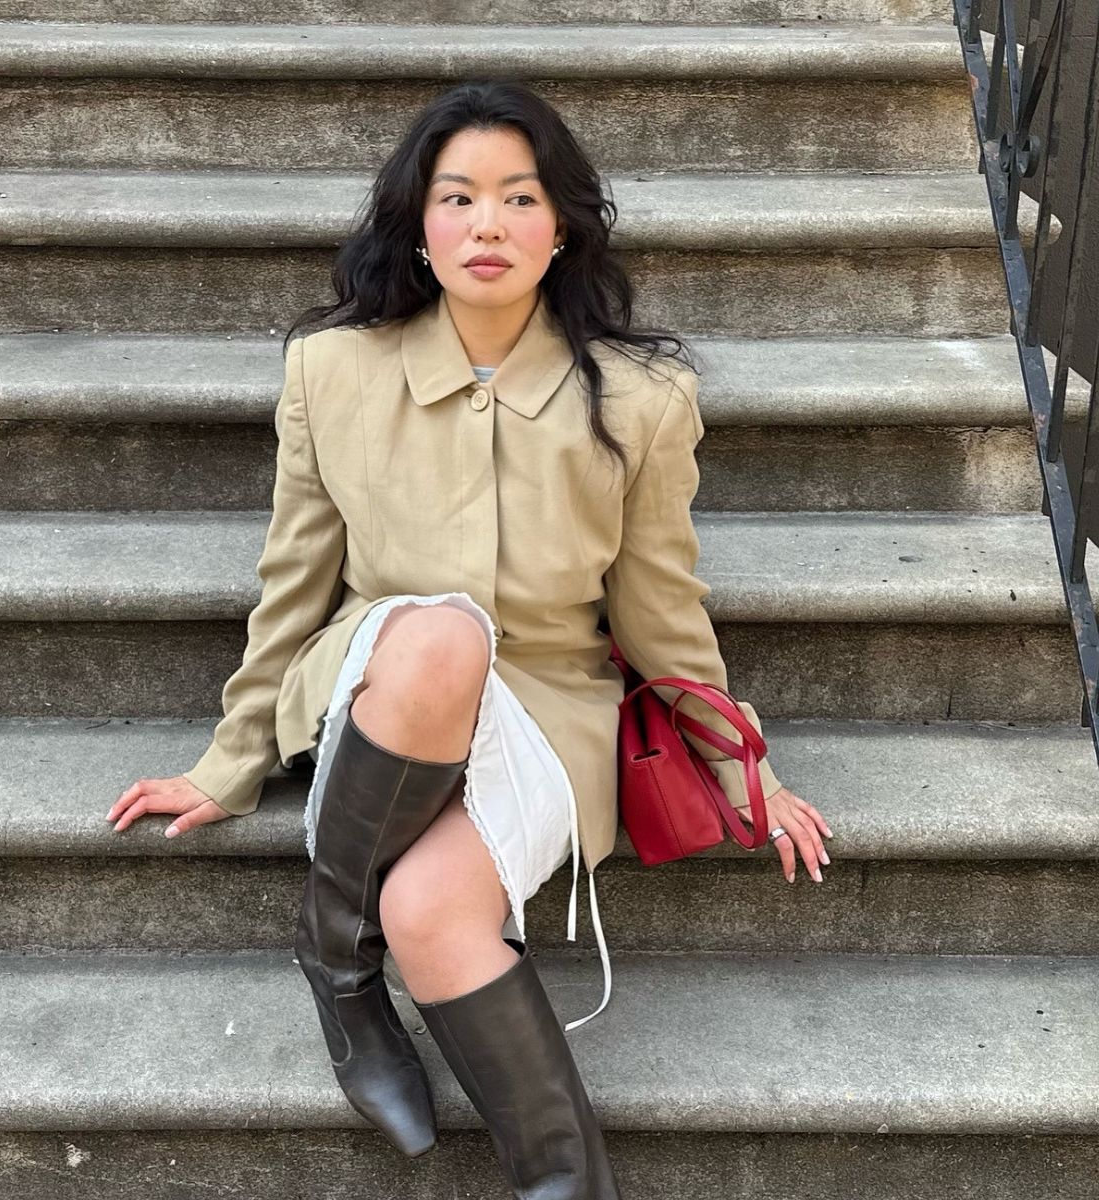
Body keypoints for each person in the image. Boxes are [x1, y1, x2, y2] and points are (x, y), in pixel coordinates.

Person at [106, 79, 833, 1199]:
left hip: (548, 709)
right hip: (383, 677)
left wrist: (748, 770)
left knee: (430, 912)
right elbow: (294, 583)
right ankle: (341, 965)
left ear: (561, 228)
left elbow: (660, 611)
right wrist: (228, 760)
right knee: (443, 635)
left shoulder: (642, 398)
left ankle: (558, 1175)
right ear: (420, 225)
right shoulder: (333, 370)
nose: (487, 224)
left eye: (519, 198)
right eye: (458, 198)